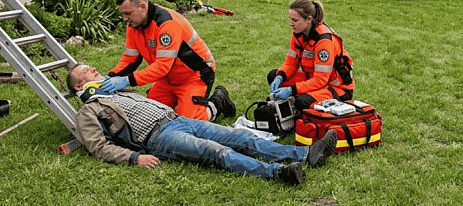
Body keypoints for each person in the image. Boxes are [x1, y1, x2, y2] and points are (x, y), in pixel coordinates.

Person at [68, 64, 338, 185]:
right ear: (81, 86)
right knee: (217, 152)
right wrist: (134, 157)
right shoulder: (89, 112)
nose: (96, 71)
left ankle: (305, 154)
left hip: (178, 120)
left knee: (239, 136)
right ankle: (278, 173)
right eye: (89, 72)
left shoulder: (116, 91)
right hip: (159, 138)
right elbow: (98, 147)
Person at [101, 0, 235, 122]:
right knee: (148, 116)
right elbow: (130, 59)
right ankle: (182, 103)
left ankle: (219, 100)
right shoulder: (134, 26)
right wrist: (111, 76)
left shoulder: (167, 24)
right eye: (123, 14)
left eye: (128, 13)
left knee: (191, 123)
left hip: (195, 75)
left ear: (142, 7)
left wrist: (126, 80)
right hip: (168, 78)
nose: (124, 19)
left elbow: (162, 66)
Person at [268, 0, 356, 113]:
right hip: (312, 80)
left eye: (295, 20)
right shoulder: (298, 34)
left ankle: (298, 105)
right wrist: (280, 76)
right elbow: (291, 63)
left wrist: (292, 90)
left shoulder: (324, 40)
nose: (291, 24)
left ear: (309, 19)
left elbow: (320, 80)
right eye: (290, 19)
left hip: (336, 88)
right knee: (273, 75)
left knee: (302, 101)